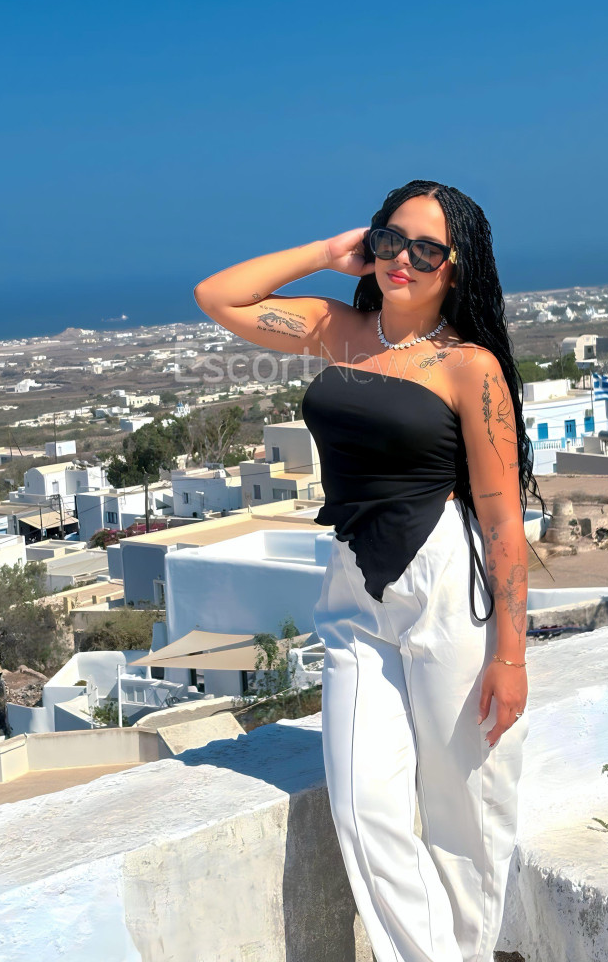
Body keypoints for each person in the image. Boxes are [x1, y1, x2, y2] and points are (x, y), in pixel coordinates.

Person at [193, 179, 544, 962]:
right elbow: (218, 296)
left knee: (464, 808)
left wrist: (512, 655)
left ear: (457, 264)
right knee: (362, 806)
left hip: (446, 587)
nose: (403, 259)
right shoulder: (339, 330)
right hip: (353, 590)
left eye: (426, 249)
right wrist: (328, 252)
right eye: (391, 239)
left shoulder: (469, 367)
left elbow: (501, 521)